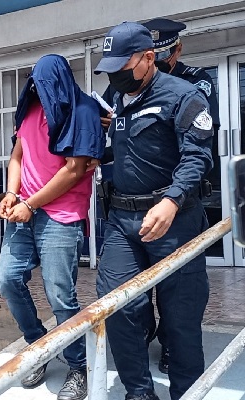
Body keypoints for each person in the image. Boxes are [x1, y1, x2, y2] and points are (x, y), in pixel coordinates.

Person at [94, 22, 213, 400]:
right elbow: (125, 150)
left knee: (180, 320)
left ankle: (186, 393)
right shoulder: (116, 96)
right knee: (118, 307)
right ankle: (139, 393)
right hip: (122, 220)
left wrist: (172, 199)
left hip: (173, 219)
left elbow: (198, 156)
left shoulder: (183, 95)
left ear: (149, 57)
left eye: (121, 66)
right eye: (109, 68)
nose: (115, 75)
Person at [0, 55, 105, 400]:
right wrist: (12, 194)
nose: (38, 91)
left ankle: (78, 366)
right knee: (7, 279)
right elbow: (17, 156)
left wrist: (30, 204)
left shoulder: (83, 111)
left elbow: (75, 169)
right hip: (24, 210)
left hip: (60, 214)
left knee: (60, 294)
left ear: (59, 81)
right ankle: (39, 346)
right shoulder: (29, 109)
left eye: (44, 85)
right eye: (34, 85)